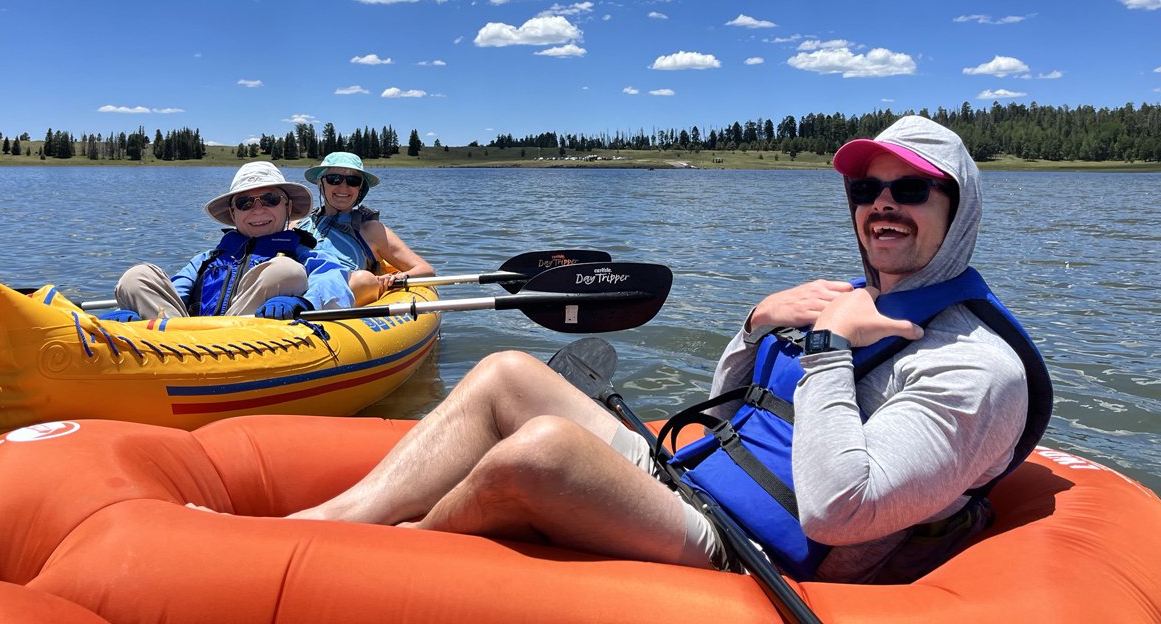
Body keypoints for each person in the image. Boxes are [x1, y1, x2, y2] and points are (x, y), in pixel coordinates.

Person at [286, 116, 1050, 585]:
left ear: (959, 208)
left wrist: (823, 350)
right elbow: (734, 404)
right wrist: (756, 325)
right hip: (690, 480)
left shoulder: (974, 368)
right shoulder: (848, 298)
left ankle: (380, 564)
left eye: (911, 191)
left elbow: (838, 512)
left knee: (543, 451)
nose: (882, 204)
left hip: (752, 550)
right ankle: (329, 522)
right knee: (503, 374)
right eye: (866, 191)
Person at [105, 161, 354, 321]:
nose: (258, 210)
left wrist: (304, 302)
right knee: (137, 275)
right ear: (233, 214)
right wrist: (132, 310)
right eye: (245, 203)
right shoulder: (206, 260)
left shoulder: (306, 253)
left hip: (254, 344)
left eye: (269, 200)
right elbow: (174, 294)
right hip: (184, 344)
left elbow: (334, 283)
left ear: (287, 206)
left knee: (285, 270)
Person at [301, 152, 435, 306]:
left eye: (352, 181)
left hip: (345, 300)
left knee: (362, 280)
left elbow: (426, 270)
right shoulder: (300, 225)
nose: (343, 187)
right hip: (296, 294)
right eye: (334, 179)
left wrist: (396, 278)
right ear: (320, 183)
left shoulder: (371, 230)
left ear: (360, 188)